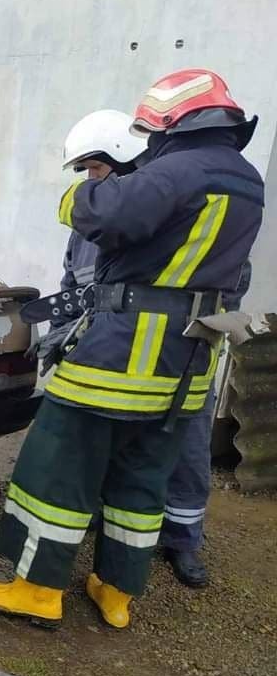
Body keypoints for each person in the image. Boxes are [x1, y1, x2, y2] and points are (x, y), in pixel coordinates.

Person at [0, 69, 263, 629]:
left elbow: (102, 214)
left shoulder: (180, 169)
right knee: (141, 478)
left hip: (119, 360)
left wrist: (79, 194)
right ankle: (116, 591)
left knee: (57, 469)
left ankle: (36, 592)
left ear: (171, 123)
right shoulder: (246, 178)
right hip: (184, 368)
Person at [35, 109, 253, 590]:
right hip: (116, 361)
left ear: (126, 162)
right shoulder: (97, 228)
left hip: (182, 361)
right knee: (117, 459)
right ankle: (108, 533)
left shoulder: (172, 210)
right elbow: (74, 284)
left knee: (185, 451)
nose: (91, 181)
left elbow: (225, 285)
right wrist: (62, 336)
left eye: (96, 170)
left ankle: (182, 540)